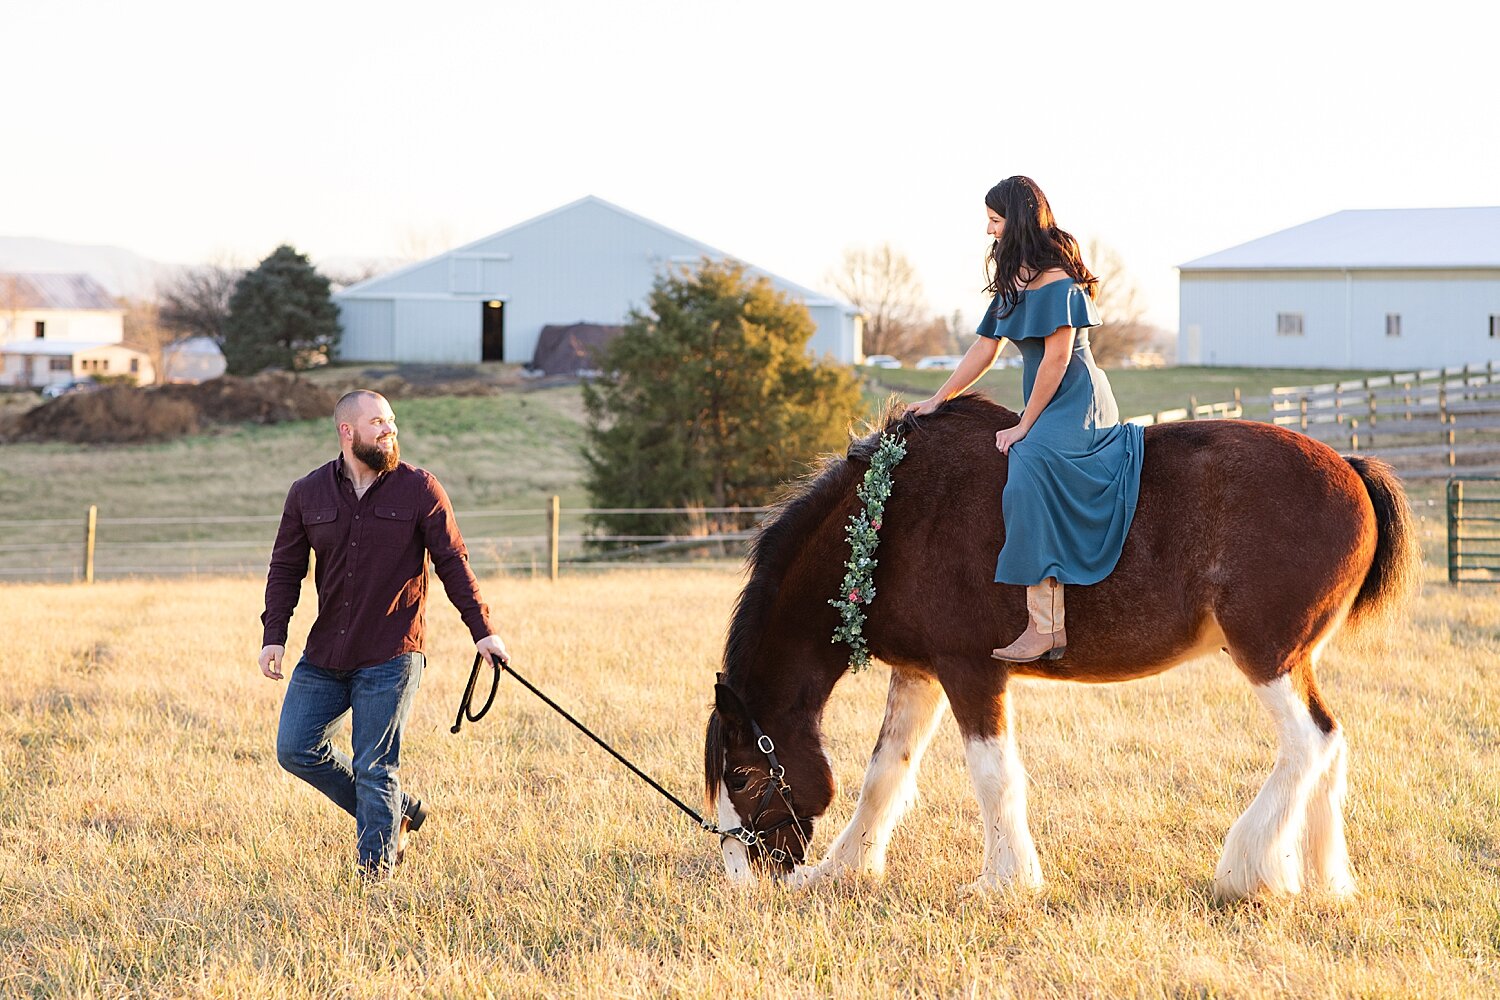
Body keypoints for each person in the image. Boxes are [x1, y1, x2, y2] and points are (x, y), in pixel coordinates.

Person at [259, 389, 509, 878]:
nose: (389, 429)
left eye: (391, 420)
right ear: (347, 432)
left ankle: (375, 878)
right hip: (326, 651)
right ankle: (399, 811)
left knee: (376, 767)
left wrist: (483, 631)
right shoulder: (307, 493)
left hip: (392, 653)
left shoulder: (420, 489)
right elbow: (285, 568)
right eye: (377, 422)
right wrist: (274, 634)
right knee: (295, 748)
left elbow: (453, 564)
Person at [909, 176, 1144, 662]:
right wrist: (938, 398)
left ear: (1016, 221)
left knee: (1027, 468)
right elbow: (984, 346)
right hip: (1045, 396)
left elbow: (1057, 361)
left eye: (995, 221)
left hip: (1077, 400)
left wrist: (1022, 426)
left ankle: (1045, 625)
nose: (989, 231)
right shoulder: (1014, 279)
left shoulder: (1059, 279)